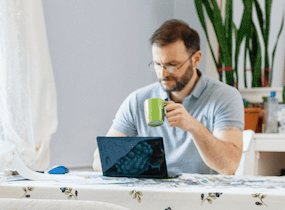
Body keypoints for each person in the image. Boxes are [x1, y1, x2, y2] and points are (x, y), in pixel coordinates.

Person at [93, 19, 244, 176]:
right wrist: (130, 160)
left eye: (172, 65)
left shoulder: (225, 97)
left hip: (203, 191)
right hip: (152, 190)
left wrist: (193, 126)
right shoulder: (138, 100)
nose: (163, 73)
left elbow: (229, 166)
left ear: (196, 59)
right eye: (157, 65)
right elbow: (99, 160)